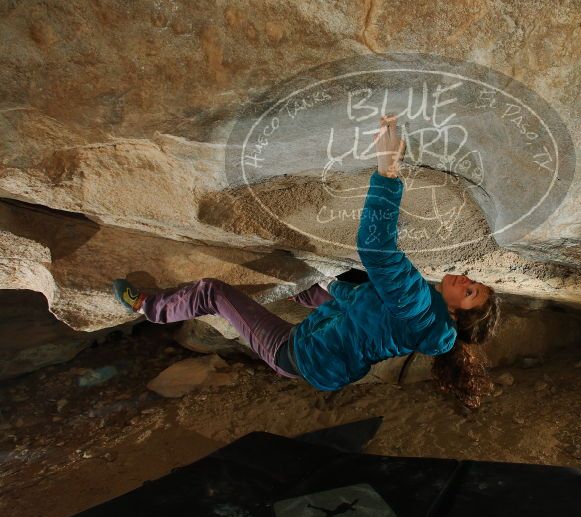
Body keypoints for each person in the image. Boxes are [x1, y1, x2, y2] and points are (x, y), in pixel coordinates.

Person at [113, 114, 501, 408]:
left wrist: (388, 170)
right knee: (325, 291)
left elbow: (375, 246)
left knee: (212, 293)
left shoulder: (419, 306)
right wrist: (326, 288)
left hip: (299, 354)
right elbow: (368, 309)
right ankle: (309, 293)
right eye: (473, 282)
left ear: (456, 314)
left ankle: (151, 308)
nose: (464, 279)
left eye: (469, 291)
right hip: (340, 353)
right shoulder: (425, 321)